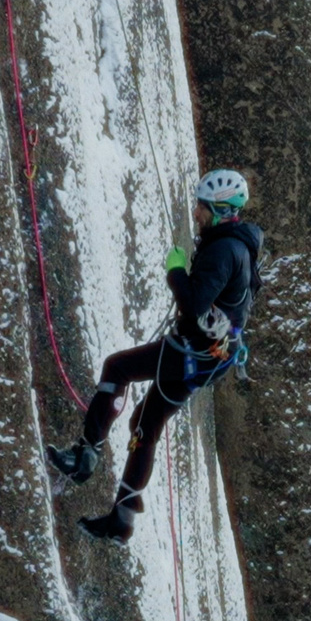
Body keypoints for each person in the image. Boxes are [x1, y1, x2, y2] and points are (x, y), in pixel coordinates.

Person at [47, 169, 262, 543]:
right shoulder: (240, 245)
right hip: (209, 358)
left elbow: (193, 303)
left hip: (190, 352)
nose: (195, 212)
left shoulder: (224, 250)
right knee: (144, 425)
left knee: (118, 368)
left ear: (221, 211)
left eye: (202, 207)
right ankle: (121, 521)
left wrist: (176, 270)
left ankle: (84, 457)